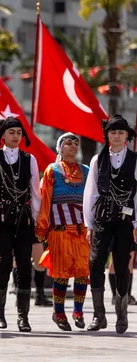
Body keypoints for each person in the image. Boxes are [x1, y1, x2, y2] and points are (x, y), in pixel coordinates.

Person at [0, 116, 41, 333]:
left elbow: (35, 192)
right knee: (5, 263)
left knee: (25, 265)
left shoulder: (29, 159)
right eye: (11, 132)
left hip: (24, 220)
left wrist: (38, 220)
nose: (15, 136)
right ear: (3, 135)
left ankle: (22, 316)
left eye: (19, 132)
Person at [84, 115, 137, 334]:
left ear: (127, 136)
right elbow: (91, 193)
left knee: (123, 265)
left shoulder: (135, 159)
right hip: (102, 219)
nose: (116, 136)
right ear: (107, 135)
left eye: (121, 132)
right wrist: (89, 224)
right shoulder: (98, 159)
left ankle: (121, 315)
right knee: (95, 262)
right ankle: (99, 315)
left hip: (126, 221)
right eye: (113, 132)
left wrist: (136, 223)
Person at [36, 133, 90, 331]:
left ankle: (78, 311)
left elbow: (92, 201)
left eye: (76, 143)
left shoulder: (86, 171)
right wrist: (42, 228)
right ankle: (58, 312)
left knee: (83, 273)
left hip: (82, 231)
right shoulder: (53, 170)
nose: (73, 146)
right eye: (68, 143)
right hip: (59, 231)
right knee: (61, 274)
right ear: (60, 148)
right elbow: (44, 201)